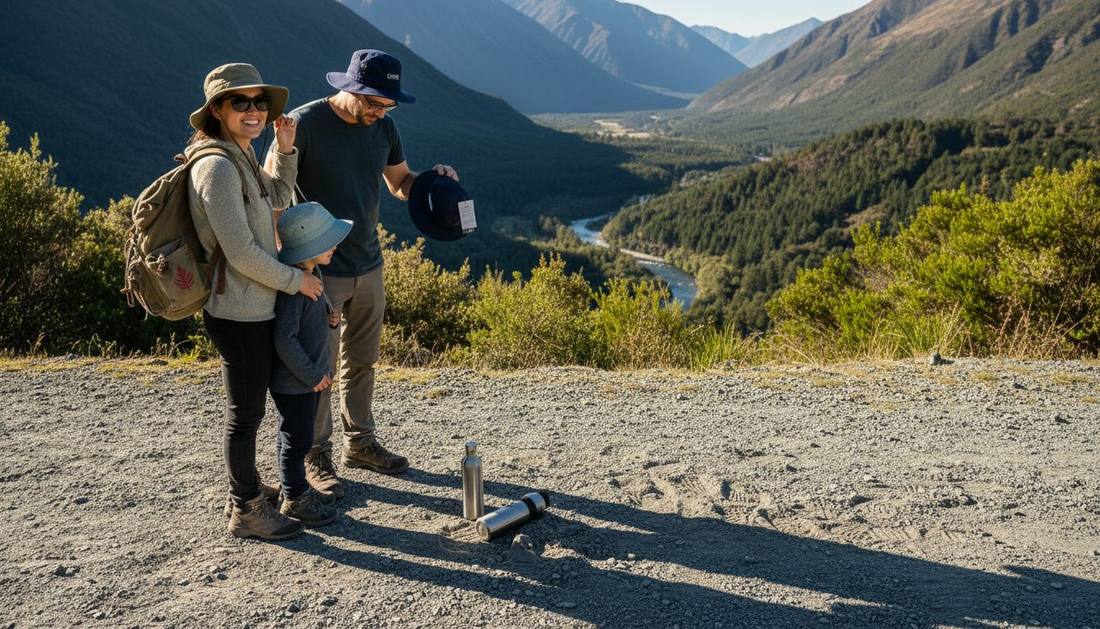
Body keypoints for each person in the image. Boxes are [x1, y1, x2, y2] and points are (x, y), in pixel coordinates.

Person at [268, 49, 459, 501]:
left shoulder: (385, 127)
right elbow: (272, 195)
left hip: (369, 265)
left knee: (364, 359)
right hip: (320, 269)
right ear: (349, 87)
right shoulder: (304, 124)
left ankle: (360, 442)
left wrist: (433, 181)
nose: (379, 111)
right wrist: (286, 267)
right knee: (318, 367)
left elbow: (399, 183)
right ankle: (315, 455)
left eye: (387, 105)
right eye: (372, 102)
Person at [187, 63, 324, 540]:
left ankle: (248, 487)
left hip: (257, 305)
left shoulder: (243, 155)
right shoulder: (216, 168)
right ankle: (245, 507)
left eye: (259, 102)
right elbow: (241, 251)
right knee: (245, 414)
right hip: (237, 311)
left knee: (253, 410)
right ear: (217, 111)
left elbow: (278, 199)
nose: (253, 110)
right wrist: (296, 281)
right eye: (240, 102)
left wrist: (284, 152)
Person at [269, 202, 351, 527]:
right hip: (297, 381)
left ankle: (296, 489)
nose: (335, 246)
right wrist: (313, 375)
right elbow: (284, 339)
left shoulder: (312, 274)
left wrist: (329, 321)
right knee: (297, 440)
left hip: (305, 380)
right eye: (328, 241)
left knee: (292, 436)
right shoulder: (295, 288)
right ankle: (295, 498)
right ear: (309, 246)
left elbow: (305, 325)